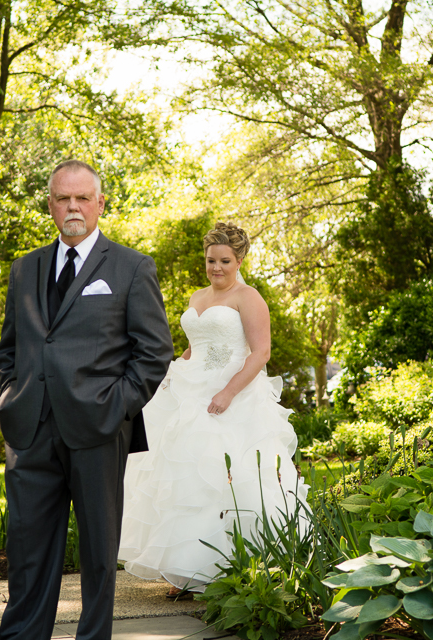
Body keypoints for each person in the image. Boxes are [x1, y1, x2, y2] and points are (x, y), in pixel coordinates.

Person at [0, 160, 174, 640]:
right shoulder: (24, 268)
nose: (72, 207)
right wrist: (10, 395)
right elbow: (9, 347)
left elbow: (155, 353)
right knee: (27, 549)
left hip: (98, 428)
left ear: (99, 203)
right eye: (62, 199)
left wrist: (115, 407)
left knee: (97, 553)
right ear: (50, 204)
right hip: (30, 430)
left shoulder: (132, 267)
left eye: (82, 198)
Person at [118, 222, 308, 596]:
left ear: (239, 260)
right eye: (210, 260)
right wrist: (170, 372)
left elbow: (261, 352)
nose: (216, 268)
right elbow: (196, 345)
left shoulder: (248, 297)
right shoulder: (197, 297)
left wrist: (228, 392)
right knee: (182, 477)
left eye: (224, 261)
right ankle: (185, 571)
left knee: (222, 476)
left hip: (232, 390)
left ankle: (232, 567)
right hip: (190, 387)